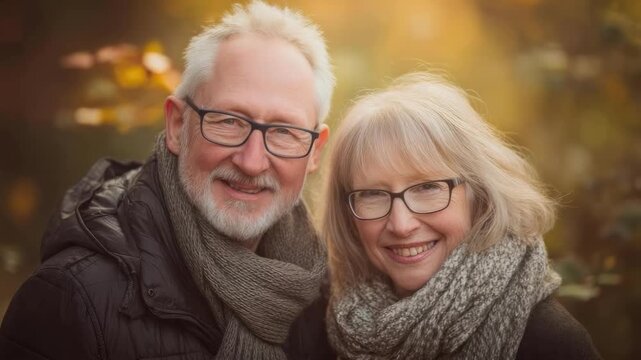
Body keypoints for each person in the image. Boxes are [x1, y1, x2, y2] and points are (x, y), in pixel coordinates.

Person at [0, 1, 335, 359]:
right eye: (228, 121)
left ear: (315, 151)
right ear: (177, 126)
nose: (252, 162)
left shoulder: (327, 303)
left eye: (283, 131)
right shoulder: (71, 300)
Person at [322, 72, 602, 359]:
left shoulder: (550, 342)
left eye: (428, 187)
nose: (401, 224)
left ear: (479, 195)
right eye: (373, 194)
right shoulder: (322, 331)